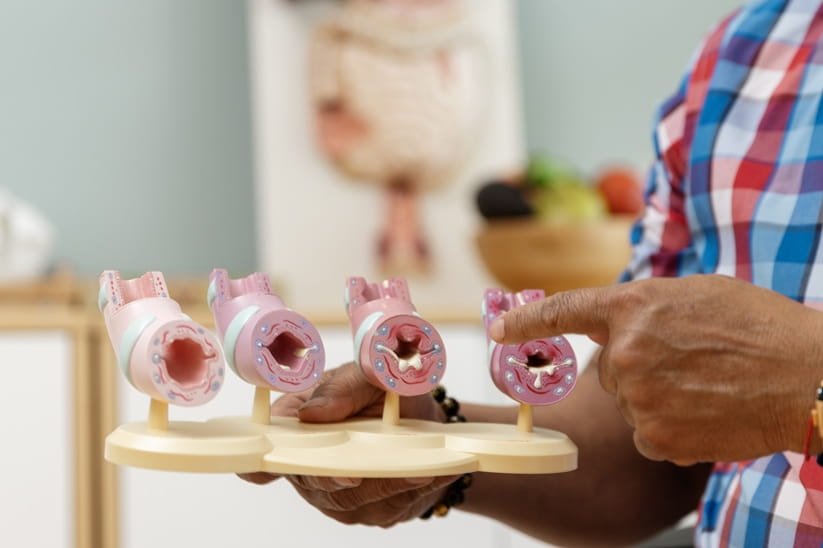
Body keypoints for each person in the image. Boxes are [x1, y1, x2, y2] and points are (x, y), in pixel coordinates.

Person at [241, 1, 823, 545]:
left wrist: (807, 387)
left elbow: (773, 385)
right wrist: (435, 439)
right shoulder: (740, 59)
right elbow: (644, 442)